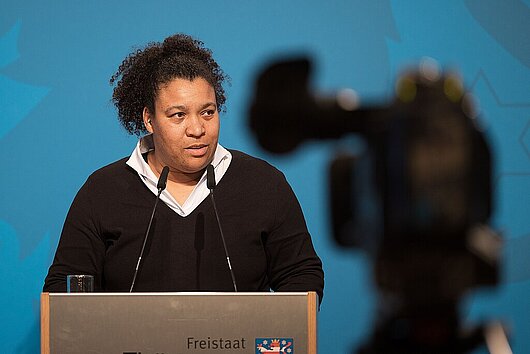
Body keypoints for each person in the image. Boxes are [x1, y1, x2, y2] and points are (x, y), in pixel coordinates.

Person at [43, 34, 324, 302]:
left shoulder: (264, 184)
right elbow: (65, 287)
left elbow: (301, 276)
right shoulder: (102, 191)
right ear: (149, 119)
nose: (198, 129)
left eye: (207, 112)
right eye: (178, 115)